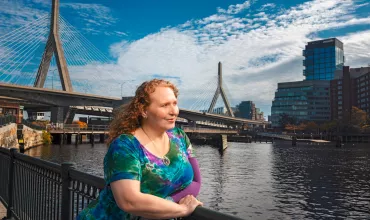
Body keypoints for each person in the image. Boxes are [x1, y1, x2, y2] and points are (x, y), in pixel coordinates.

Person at [77, 79, 202, 220]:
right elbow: (129, 201)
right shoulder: (125, 145)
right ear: (143, 110)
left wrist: (169, 203)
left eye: (174, 103)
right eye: (165, 105)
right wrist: (182, 209)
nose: (174, 111)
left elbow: (196, 182)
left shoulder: (180, 137)